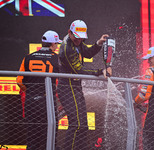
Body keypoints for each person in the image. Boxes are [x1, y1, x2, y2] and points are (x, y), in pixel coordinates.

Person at [57, 20, 112, 150]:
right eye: (76, 38)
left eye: (81, 39)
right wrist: (100, 71)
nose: (79, 41)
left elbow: (87, 53)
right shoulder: (66, 48)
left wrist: (99, 43)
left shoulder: (77, 42)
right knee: (76, 124)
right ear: (70, 33)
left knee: (84, 125)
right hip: (67, 89)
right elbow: (79, 70)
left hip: (75, 87)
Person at [16, 30, 61, 150]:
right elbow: (63, 81)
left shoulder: (28, 58)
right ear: (52, 44)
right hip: (48, 102)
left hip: (31, 101)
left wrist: (31, 92)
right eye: (56, 44)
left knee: (32, 137)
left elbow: (19, 81)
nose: (57, 47)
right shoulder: (57, 59)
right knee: (50, 136)